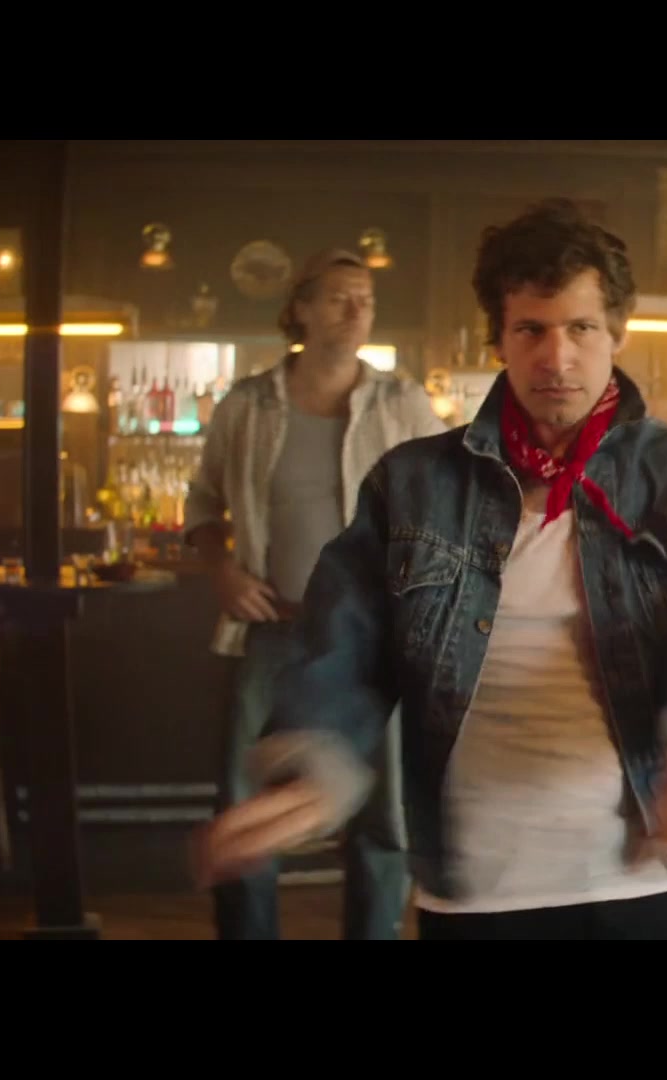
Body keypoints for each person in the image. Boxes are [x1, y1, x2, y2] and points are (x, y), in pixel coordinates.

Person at [192, 199, 667, 941]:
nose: (556, 357)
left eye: (581, 328)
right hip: (481, 887)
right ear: (500, 339)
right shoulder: (414, 485)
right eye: (531, 329)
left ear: (617, 333)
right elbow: (345, 642)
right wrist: (318, 764)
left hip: (649, 870)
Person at [185, 247, 448, 940]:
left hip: (376, 640)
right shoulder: (247, 406)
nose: (358, 310)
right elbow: (202, 502)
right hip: (273, 628)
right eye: (339, 297)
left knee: (383, 816)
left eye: (367, 299)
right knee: (247, 807)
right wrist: (222, 571)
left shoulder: (401, 402)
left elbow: (449, 507)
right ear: (300, 309)